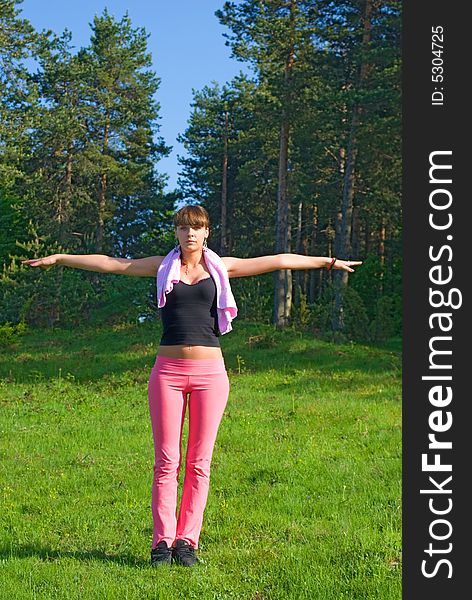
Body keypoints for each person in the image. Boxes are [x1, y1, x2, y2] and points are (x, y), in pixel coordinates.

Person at [21, 204, 362, 568]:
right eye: (183, 228)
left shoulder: (222, 267)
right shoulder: (160, 266)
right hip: (166, 373)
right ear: (177, 233)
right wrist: (60, 258)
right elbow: (112, 262)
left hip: (210, 375)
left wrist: (328, 263)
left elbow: (278, 259)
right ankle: (161, 544)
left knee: (199, 463)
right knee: (166, 462)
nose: (190, 235)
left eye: (196, 229)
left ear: (206, 233)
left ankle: (187, 542)